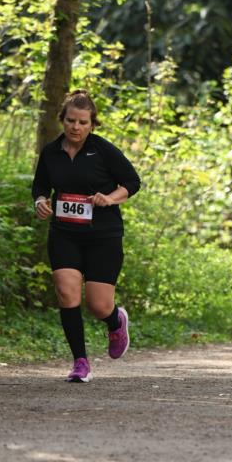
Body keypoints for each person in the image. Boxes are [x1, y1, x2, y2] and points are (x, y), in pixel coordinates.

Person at [32, 90, 141, 382]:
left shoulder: (103, 150)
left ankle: (115, 320)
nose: (76, 127)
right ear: (62, 120)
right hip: (64, 233)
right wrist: (40, 201)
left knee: (98, 305)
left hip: (102, 236)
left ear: (92, 123)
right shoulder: (51, 152)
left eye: (82, 122)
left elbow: (132, 181)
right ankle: (80, 362)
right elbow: (40, 185)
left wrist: (110, 198)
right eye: (70, 121)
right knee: (67, 293)